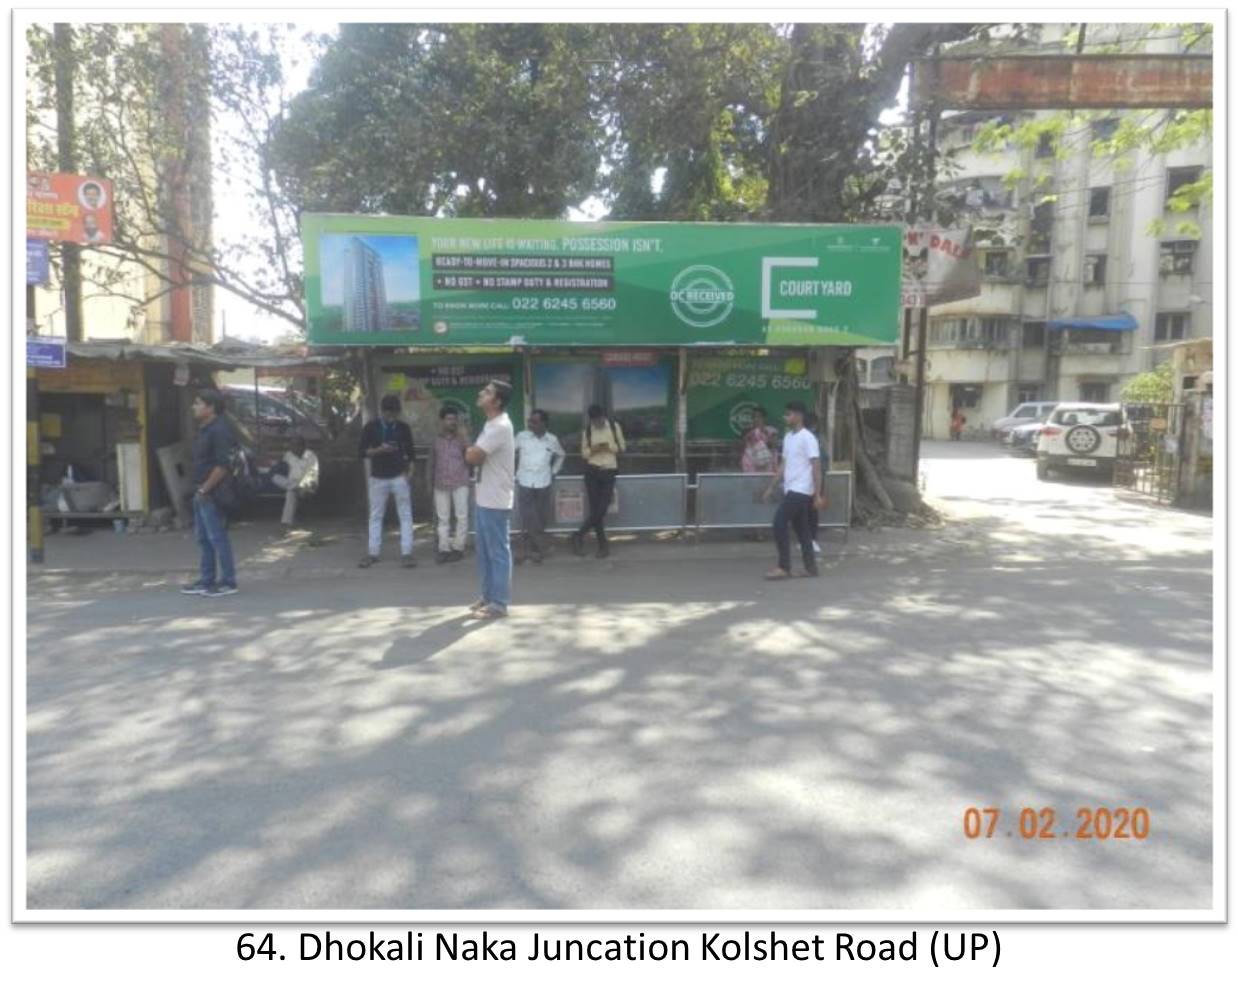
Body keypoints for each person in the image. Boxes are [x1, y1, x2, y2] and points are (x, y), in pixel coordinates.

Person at [464, 380, 516, 619]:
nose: (481, 393)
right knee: (484, 552)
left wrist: (469, 450)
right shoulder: (491, 423)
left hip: (495, 500)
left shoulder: (500, 427)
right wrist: (472, 450)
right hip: (485, 497)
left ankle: (499, 604)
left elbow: (474, 456)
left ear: (496, 401)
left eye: (487, 392)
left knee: (497, 552)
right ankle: (487, 597)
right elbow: (475, 453)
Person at [181, 389, 238, 596]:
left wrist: (205, 489)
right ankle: (207, 580)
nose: (194, 407)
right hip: (201, 491)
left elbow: (222, 465)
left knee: (218, 538)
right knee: (203, 539)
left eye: (198, 403)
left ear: (211, 407)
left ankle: (228, 582)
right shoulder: (205, 429)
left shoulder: (220, 430)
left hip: (213, 493)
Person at [762, 400, 826, 580]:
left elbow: (816, 466)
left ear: (798, 416)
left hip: (802, 489)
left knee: (779, 523)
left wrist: (818, 494)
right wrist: (772, 487)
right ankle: (811, 568)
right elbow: (783, 465)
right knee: (802, 530)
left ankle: (784, 566)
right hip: (791, 488)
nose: (785, 417)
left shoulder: (808, 438)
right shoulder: (789, 437)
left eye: (788, 414)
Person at [358, 393, 417, 568]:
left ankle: (407, 554)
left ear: (398, 412)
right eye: (388, 413)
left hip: (399, 476)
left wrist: (410, 473)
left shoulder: (403, 428)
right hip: (377, 477)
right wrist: (378, 451)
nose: (391, 417)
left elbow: (411, 453)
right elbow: (361, 452)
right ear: (381, 411)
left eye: (394, 414)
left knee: (405, 515)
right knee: (376, 516)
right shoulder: (371, 427)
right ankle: (373, 553)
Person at [572, 403, 625, 558]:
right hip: (592, 471)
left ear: (604, 415)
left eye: (600, 419)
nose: (599, 423)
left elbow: (622, 448)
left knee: (601, 509)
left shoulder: (614, 427)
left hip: (609, 470)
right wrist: (593, 450)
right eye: (595, 421)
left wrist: (610, 447)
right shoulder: (588, 431)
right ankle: (603, 546)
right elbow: (584, 453)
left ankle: (578, 534)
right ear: (591, 420)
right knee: (596, 510)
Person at [514, 408, 565, 564]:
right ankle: (534, 550)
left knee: (541, 517)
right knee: (527, 516)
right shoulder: (521, 437)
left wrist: (554, 471)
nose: (531, 424)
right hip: (525, 481)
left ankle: (531, 549)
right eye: (530, 421)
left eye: (535, 422)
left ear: (544, 423)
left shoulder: (552, 439)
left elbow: (561, 455)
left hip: (543, 482)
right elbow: (509, 453)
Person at [426, 406, 470, 564]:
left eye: (454, 419)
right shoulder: (436, 440)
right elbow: (431, 462)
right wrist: (428, 483)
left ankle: (458, 548)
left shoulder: (462, 439)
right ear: (442, 421)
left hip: (460, 481)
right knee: (443, 518)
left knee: (461, 516)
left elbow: (471, 458)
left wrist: (465, 439)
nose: (452, 422)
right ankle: (444, 549)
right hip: (440, 483)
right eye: (449, 419)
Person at [269, 434, 319, 530]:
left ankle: (286, 523)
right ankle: (295, 487)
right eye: (291, 445)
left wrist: (303, 486)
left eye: (295, 445)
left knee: (290, 493)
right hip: (292, 484)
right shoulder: (289, 455)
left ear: (302, 446)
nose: (292, 448)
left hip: (307, 485)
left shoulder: (311, 456)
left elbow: (312, 476)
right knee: (275, 477)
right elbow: (280, 467)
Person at [740, 406, 779, 473]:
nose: (756, 419)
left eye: (759, 417)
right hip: (751, 465)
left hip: (767, 464)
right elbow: (743, 447)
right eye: (754, 417)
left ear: (764, 418)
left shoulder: (771, 431)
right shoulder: (747, 431)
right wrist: (752, 434)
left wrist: (763, 432)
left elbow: (773, 446)